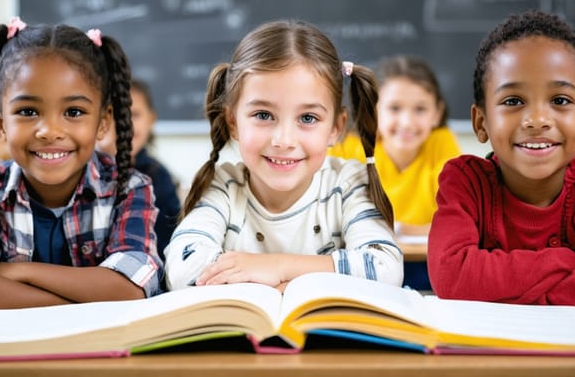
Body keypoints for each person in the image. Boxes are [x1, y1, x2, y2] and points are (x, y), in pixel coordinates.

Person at [0, 18, 162, 314]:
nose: (49, 131)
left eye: (73, 112)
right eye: (28, 111)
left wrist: (21, 272)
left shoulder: (129, 188)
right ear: (0, 124)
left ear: (102, 122)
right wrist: (83, 305)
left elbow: (131, 287)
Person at [427, 9, 575, 312]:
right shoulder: (466, 184)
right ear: (481, 123)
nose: (537, 120)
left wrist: (520, 297)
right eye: (513, 101)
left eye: (560, 100)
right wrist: (570, 261)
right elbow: (451, 276)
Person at [164, 19, 403, 291]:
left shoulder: (348, 183)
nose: (284, 141)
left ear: (336, 128)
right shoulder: (224, 186)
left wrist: (276, 267)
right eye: (263, 115)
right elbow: (183, 270)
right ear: (233, 122)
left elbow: (386, 269)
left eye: (308, 118)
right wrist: (288, 282)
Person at [329, 56, 459, 290]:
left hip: (423, 265)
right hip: (361, 266)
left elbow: (457, 223)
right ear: (373, 110)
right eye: (394, 108)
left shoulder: (441, 143)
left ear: (437, 114)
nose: (407, 122)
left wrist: (399, 229)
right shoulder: (346, 147)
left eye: (420, 109)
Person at [97, 79, 181, 262]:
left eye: (134, 114)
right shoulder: (84, 172)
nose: (125, 123)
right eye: (116, 114)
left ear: (151, 119)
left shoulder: (159, 177)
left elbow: (170, 243)